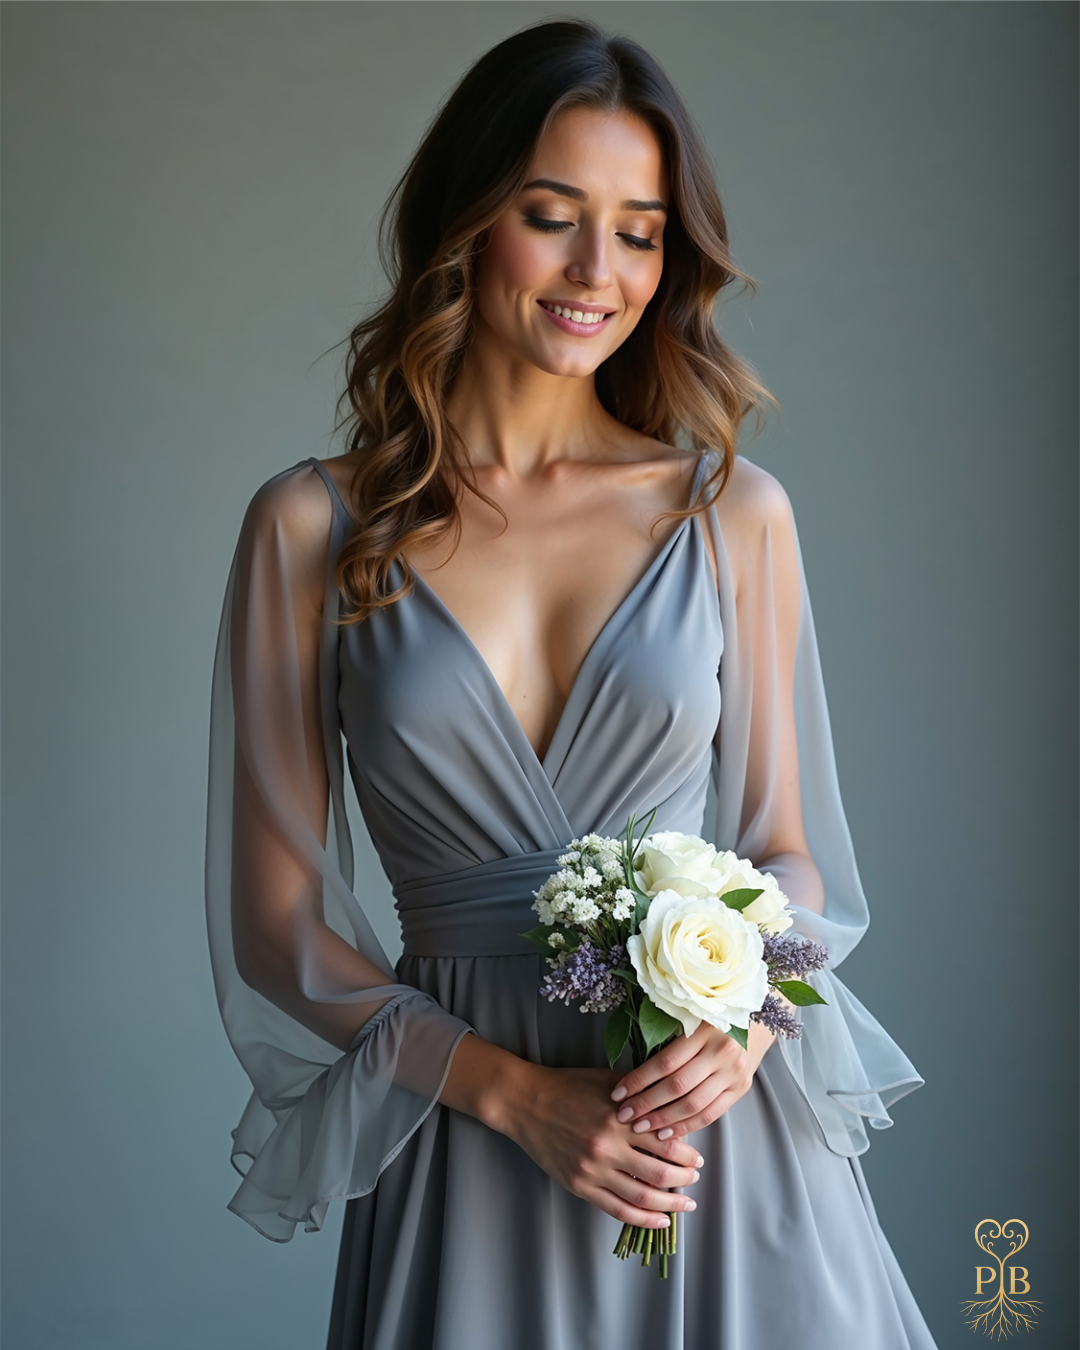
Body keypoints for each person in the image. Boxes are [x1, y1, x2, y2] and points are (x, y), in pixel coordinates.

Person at [205, 18, 939, 1350]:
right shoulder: (312, 528)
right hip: (466, 1131)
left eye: (641, 233)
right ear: (466, 224)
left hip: (705, 1148)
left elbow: (791, 855)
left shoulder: (733, 513)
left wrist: (745, 1031)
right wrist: (511, 1094)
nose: (599, 271)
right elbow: (279, 926)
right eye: (553, 218)